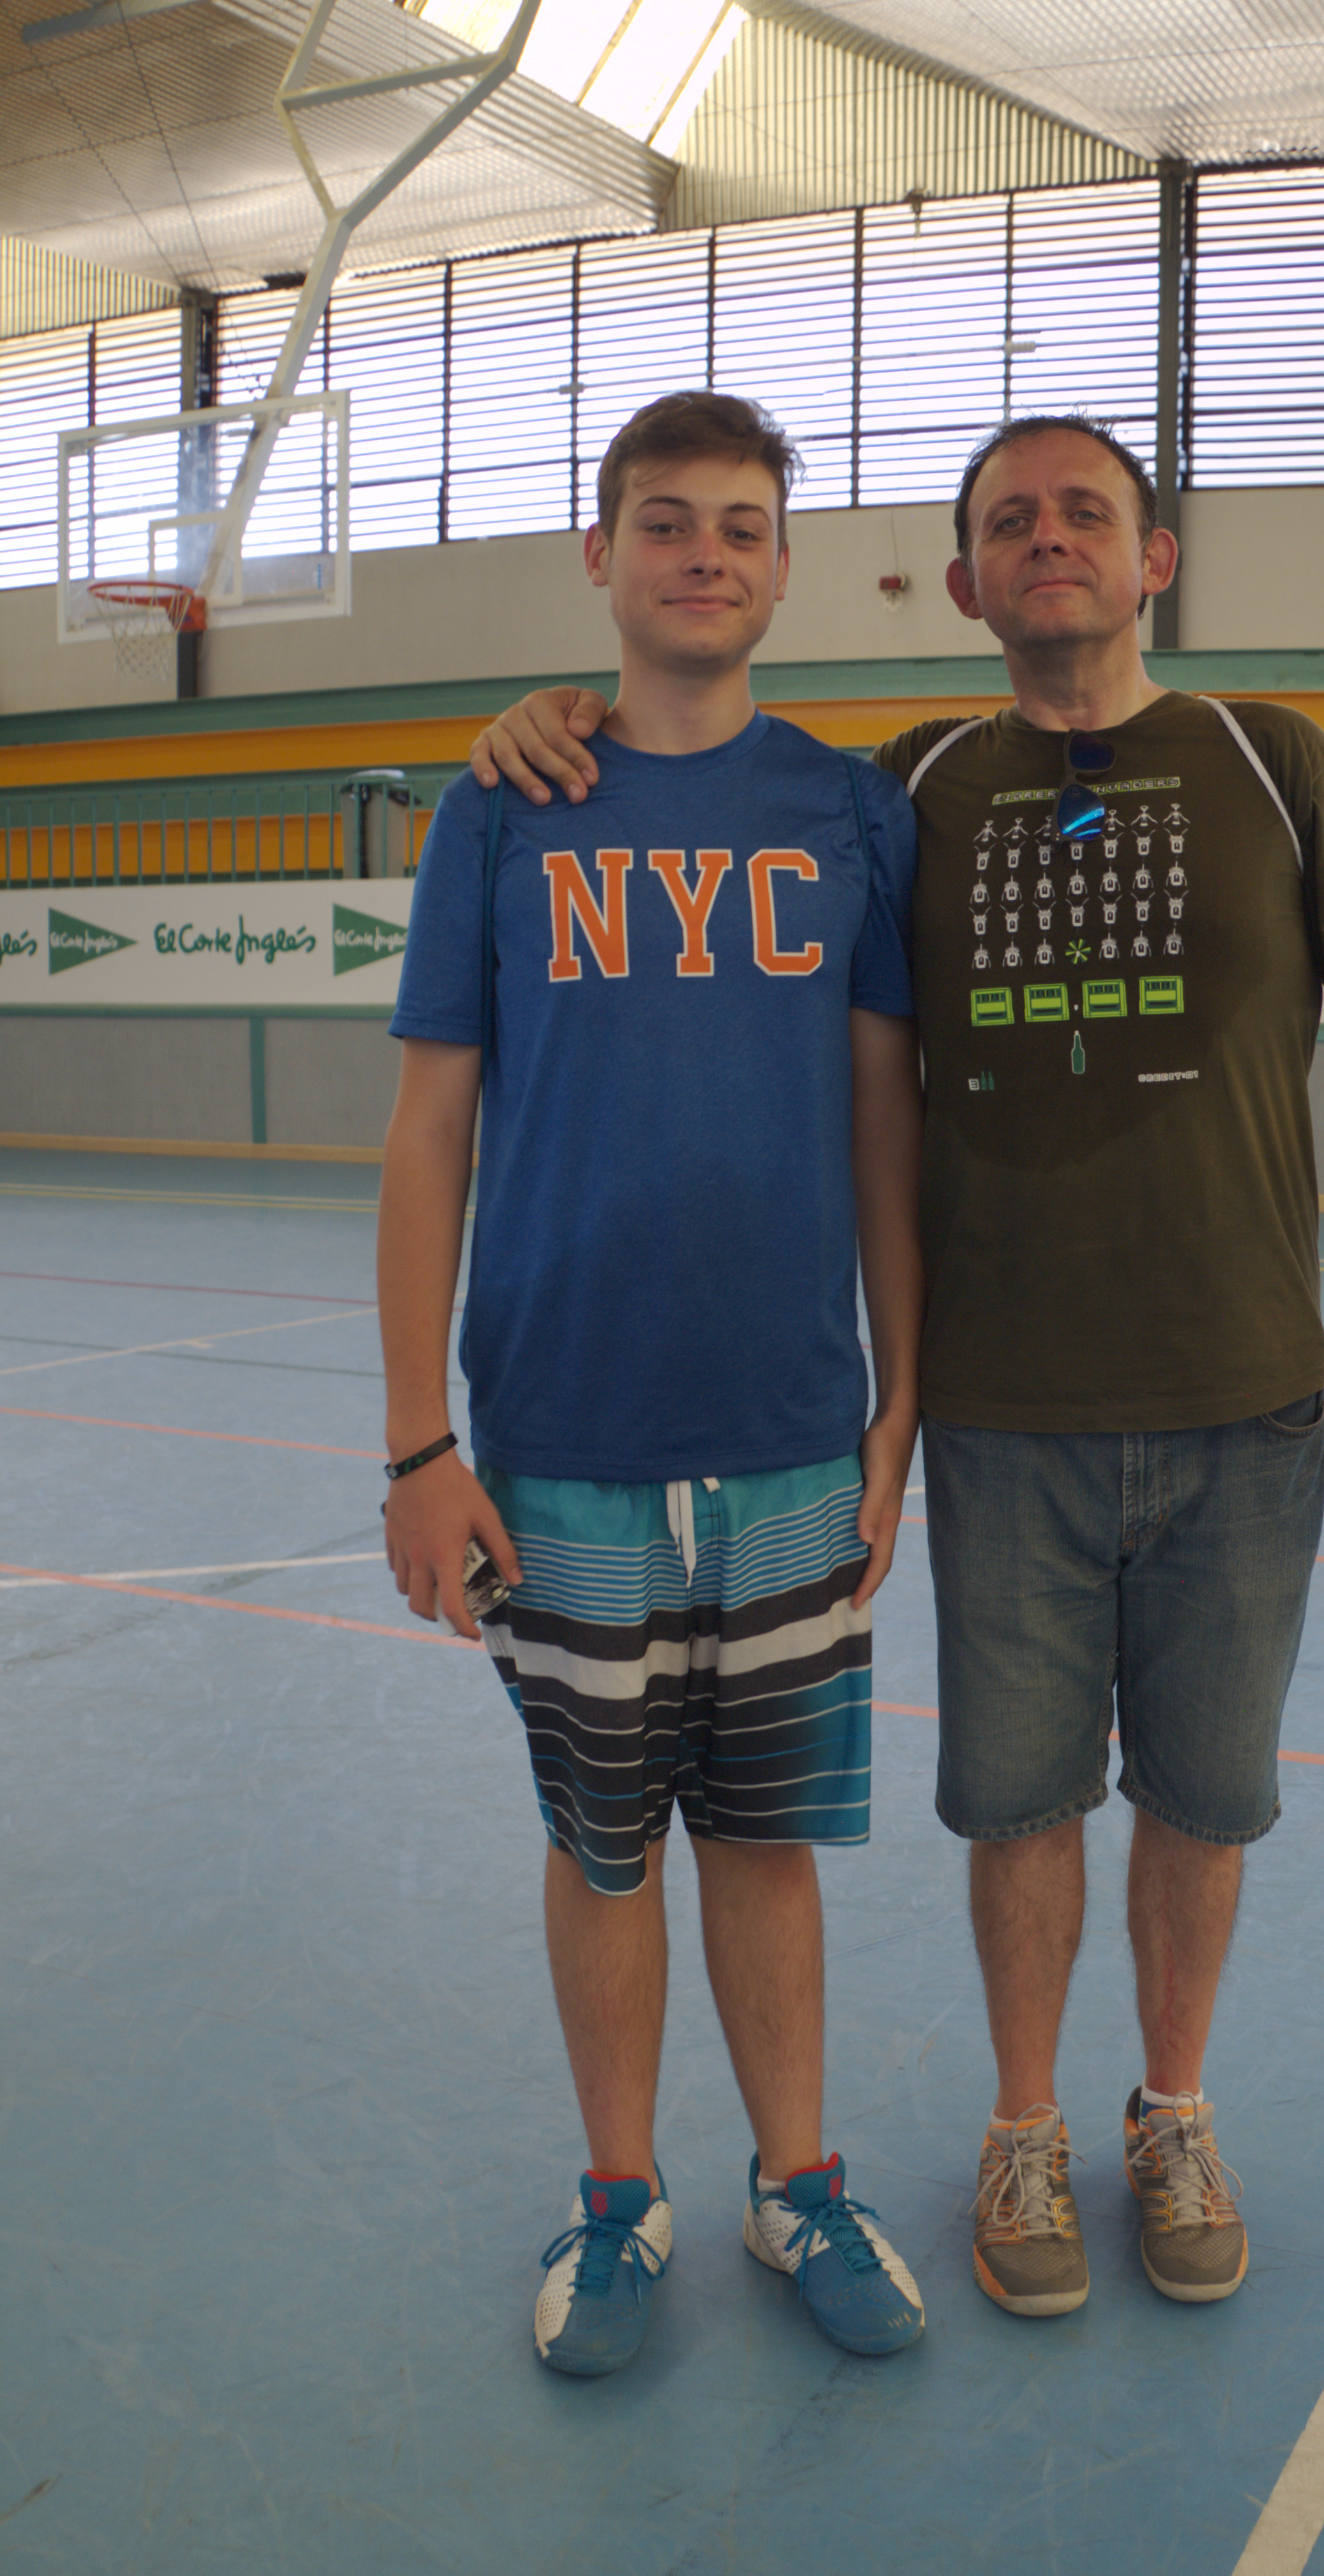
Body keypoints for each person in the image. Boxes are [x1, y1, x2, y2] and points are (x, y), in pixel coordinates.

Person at [470, 410, 1324, 2324]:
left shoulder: (1275, 762)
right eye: (1011, 521)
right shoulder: (905, 795)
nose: (1050, 539)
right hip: (1002, 1414)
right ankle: (1023, 2127)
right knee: (1017, 1800)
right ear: (962, 582)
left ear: (1154, 558)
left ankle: (1170, 2110)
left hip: (1247, 1393)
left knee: (1203, 1795)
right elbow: (693, 764)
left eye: (1087, 512)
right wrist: (545, 716)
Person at [381, 390, 927, 2377]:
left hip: (789, 1428)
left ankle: (797, 2185)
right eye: (669, 521)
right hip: (563, 1438)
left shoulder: (849, 812)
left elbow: (883, 1125)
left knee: (764, 1836)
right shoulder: (499, 808)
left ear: (784, 567)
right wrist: (420, 1443)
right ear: (599, 556)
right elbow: (429, 1133)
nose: (707, 553)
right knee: (601, 1838)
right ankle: (618, 2197)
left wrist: (895, 1406)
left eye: (743, 526)